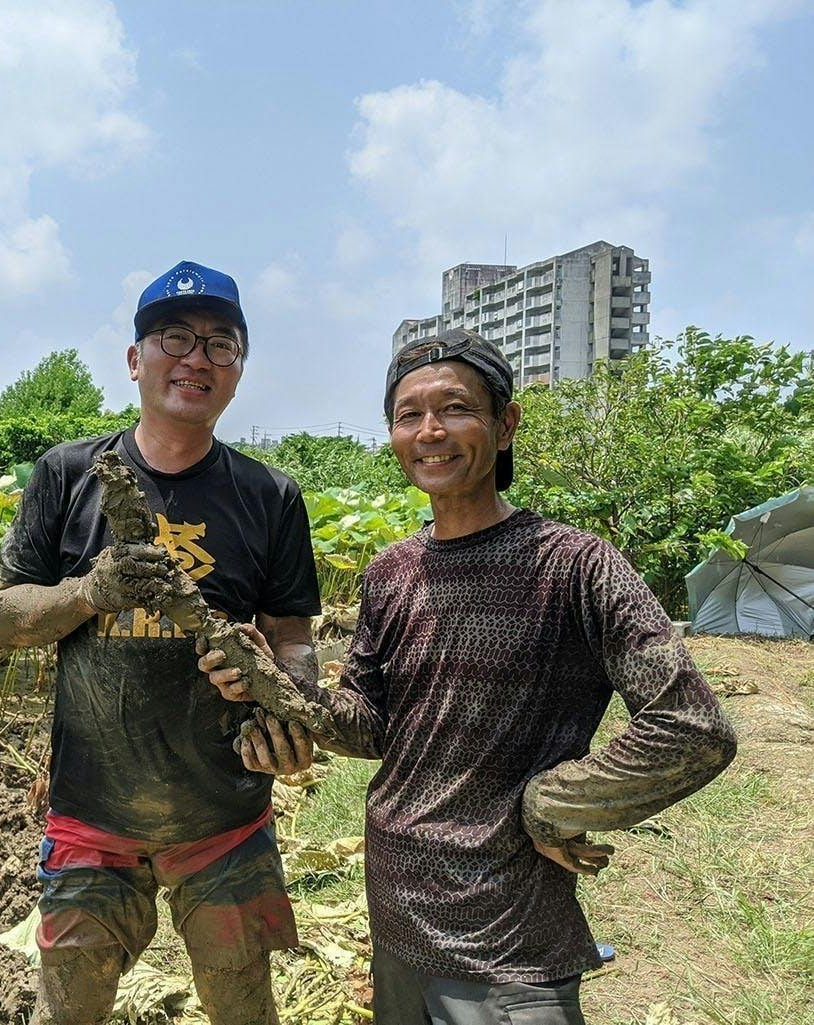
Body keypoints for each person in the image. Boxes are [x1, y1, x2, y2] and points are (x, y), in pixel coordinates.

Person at [199, 328, 738, 1025]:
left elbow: (693, 728)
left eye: (455, 408)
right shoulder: (391, 574)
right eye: (408, 414)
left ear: (505, 422)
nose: (430, 431)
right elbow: (370, 722)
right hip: (396, 913)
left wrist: (555, 803)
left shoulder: (575, 566)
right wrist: (275, 683)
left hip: (509, 936)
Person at [0, 260, 322, 1025]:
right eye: (175, 337)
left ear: (239, 369)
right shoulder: (69, 474)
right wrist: (87, 591)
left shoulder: (270, 495)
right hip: (92, 811)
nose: (197, 357)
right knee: (69, 1012)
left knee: (244, 1006)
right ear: (136, 359)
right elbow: (3, 620)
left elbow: (296, 642)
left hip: (226, 812)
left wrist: (282, 690)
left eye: (220, 343)